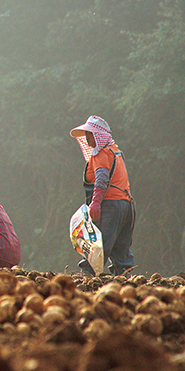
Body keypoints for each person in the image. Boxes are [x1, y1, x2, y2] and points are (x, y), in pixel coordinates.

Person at [69, 115, 136, 275]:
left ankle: (86, 278)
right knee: (121, 250)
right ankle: (125, 279)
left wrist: (95, 203)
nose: (87, 137)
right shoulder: (116, 152)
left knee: (98, 244)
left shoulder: (100, 154)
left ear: (99, 136)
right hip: (127, 206)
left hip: (111, 206)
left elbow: (101, 180)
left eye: (90, 134)